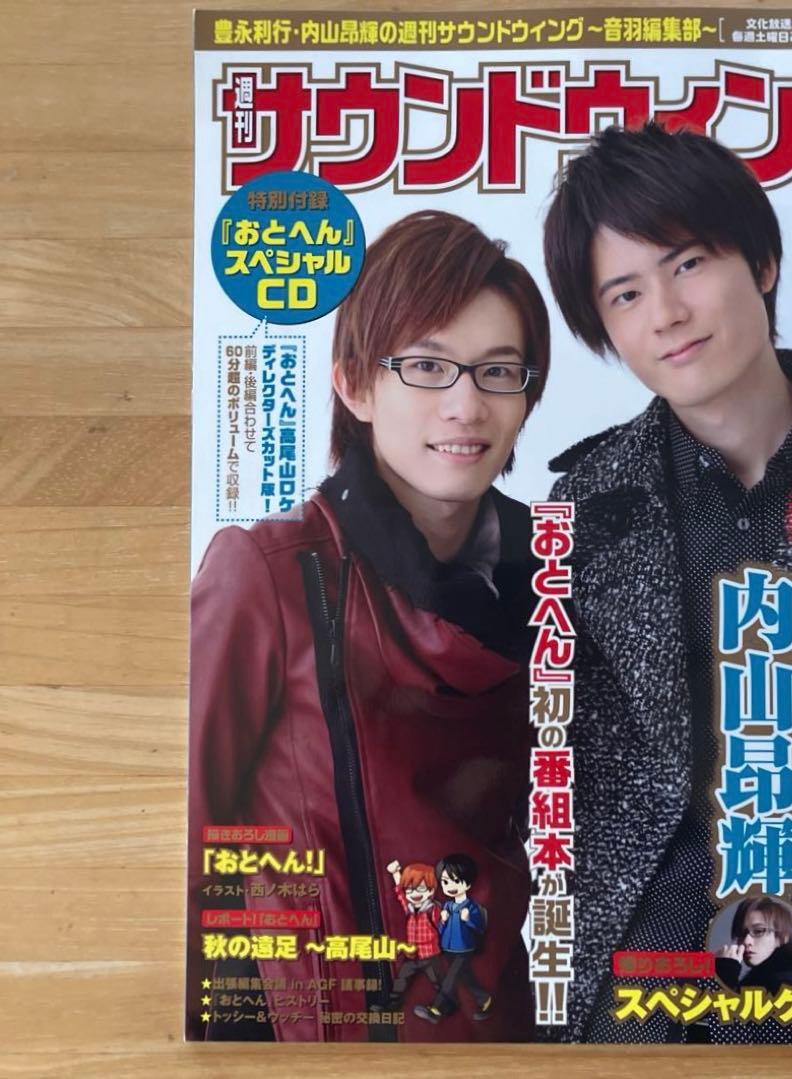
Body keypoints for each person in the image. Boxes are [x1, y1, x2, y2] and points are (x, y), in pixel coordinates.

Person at [542, 123, 792, 1042]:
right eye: (626, 293)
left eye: (688, 263)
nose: (666, 313)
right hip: (649, 970)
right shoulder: (584, 506)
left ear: (762, 262)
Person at [187, 210, 550, 1043]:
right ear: (355, 384)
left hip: (504, 1035)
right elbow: (191, 860)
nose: (466, 404)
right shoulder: (269, 574)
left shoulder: (556, 578)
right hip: (332, 1044)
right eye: (426, 366)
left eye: (499, 371)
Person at [414, 853, 493, 1024]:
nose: (450, 886)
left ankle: (436, 1009)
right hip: (448, 948)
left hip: (464, 949)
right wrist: (442, 921)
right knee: (466, 977)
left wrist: (468, 919)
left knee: (451, 978)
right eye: (445, 882)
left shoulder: (471, 907)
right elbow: (442, 930)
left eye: (455, 881)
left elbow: (479, 928)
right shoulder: (447, 906)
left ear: (468, 884)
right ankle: (484, 999)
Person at [714, 898, 792, 994]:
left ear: (782, 938)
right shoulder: (762, 980)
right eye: (741, 933)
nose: (746, 941)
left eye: (758, 931)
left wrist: (726, 975)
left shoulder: (784, 983)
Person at [386, 860, 443, 1005]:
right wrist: (395, 873)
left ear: (431, 891)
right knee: (401, 979)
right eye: (410, 890)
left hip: (430, 954)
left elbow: (444, 923)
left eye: (421, 889)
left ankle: (447, 1003)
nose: (414, 894)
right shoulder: (410, 909)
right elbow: (400, 892)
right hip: (412, 954)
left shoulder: (433, 910)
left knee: (439, 981)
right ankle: (392, 1003)